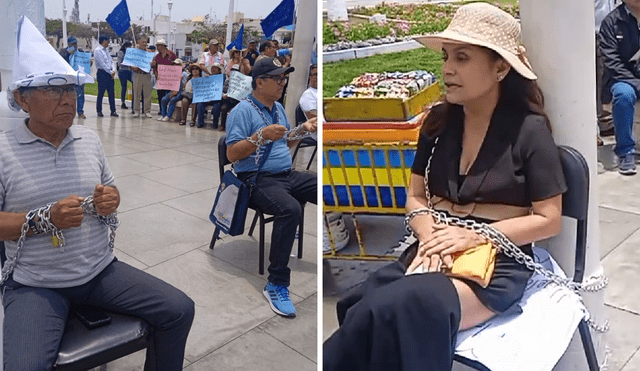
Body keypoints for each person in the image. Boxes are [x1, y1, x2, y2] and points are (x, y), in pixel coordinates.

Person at [323, 3, 567, 370]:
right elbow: (416, 196)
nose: (448, 69)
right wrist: (428, 237)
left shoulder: (528, 131)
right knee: (358, 304)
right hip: (432, 247)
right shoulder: (438, 123)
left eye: (463, 58)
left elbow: (549, 219)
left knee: (394, 309)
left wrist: (476, 237)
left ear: (500, 67)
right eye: (446, 56)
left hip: (494, 263)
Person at [2, 15, 195, 370]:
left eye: (72, 89)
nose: (69, 99)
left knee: (179, 310)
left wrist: (112, 199)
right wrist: (46, 219)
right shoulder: (3, 152)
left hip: (100, 272)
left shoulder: (89, 140)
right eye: (54, 90)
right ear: (22, 98)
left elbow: (110, 191)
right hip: (37, 285)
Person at [226, 57, 318, 317]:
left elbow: (282, 142)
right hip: (256, 179)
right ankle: (276, 283)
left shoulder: (277, 107)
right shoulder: (242, 111)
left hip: (285, 174)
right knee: (289, 209)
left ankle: (342, 237)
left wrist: (301, 130)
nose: (282, 83)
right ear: (260, 82)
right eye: (277, 78)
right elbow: (232, 154)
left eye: (283, 78)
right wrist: (259, 137)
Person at [600, 0, 639, 174]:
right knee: (623, 95)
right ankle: (626, 151)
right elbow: (612, 62)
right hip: (623, 78)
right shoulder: (611, 22)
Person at [59, 36, 88, 119]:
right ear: (68, 44)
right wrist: (68, 54)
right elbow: (61, 62)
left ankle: (80, 112)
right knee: (69, 96)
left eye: (75, 44)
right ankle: (69, 112)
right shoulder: (63, 52)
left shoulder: (81, 52)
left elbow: (85, 63)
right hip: (69, 78)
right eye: (72, 44)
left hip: (79, 77)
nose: (75, 46)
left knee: (81, 95)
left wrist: (89, 62)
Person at [94, 35, 118, 117]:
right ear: (104, 41)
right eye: (107, 41)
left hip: (110, 74)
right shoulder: (97, 51)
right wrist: (110, 72)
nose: (108, 43)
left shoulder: (106, 51)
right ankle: (99, 110)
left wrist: (113, 70)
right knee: (101, 93)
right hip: (102, 73)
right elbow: (102, 64)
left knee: (111, 93)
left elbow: (111, 61)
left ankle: (113, 110)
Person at [151, 39, 177, 116]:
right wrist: (156, 74)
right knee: (160, 95)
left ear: (163, 46)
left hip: (170, 79)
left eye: (158, 46)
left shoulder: (172, 54)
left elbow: (176, 65)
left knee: (170, 95)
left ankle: (170, 110)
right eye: (157, 46)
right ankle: (161, 110)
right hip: (160, 79)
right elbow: (154, 67)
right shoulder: (157, 57)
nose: (157, 47)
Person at [131, 36, 154, 118]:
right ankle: (136, 111)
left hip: (147, 75)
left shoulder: (149, 53)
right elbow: (129, 64)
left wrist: (152, 63)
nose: (144, 44)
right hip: (137, 74)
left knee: (147, 94)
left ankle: (147, 111)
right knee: (136, 93)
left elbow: (154, 64)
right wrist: (132, 67)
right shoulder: (134, 52)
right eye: (143, 42)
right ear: (138, 43)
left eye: (145, 42)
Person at [197, 63, 224, 129]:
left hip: (217, 98)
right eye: (212, 68)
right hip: (207, 97)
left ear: (219, 70)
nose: (213, 69)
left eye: (215, 68)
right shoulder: (207, 77)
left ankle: (215, 123)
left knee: (216, 107)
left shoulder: (223, 77)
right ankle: (200, 123)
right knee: (200, 105)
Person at [117, 41, 133, 110]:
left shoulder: (131, 53)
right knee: (124, 87)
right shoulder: (121, 52)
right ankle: (123, 102)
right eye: (129, 46)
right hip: (122, 71)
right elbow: (119, 63)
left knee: (134, 83)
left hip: (129, 71)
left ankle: (134, 101)